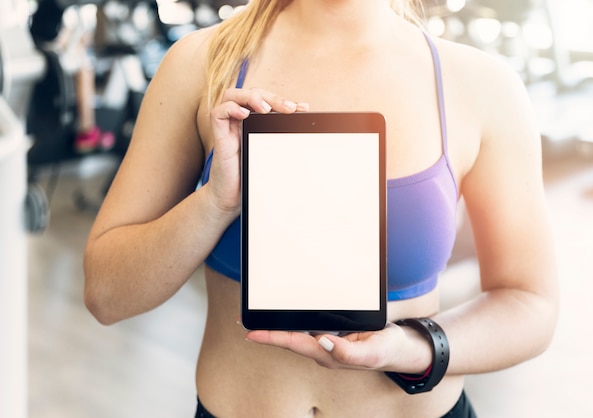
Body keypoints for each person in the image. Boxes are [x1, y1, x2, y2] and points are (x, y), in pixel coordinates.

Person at [82, 0, 559, 417]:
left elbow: (529, 303)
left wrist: (415, 347)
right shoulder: (200, 65)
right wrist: (215, 203)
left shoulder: (481, 85)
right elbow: (106, 294)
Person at [30, 0, 114, 154]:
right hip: (47, 51)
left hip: (55, 49)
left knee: (84, 66)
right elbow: (56, 39)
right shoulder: (55, 8)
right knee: (83, 70)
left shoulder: (72, 11)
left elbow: (80, 39)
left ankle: (88, 128)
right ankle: (86, 129)